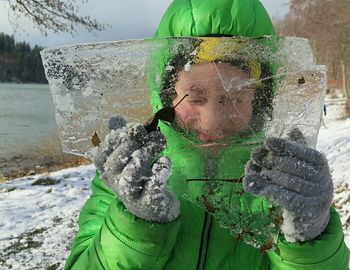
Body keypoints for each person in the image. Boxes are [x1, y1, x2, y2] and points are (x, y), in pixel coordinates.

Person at [64, 0, 349, 269]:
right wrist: (135, 225)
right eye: (195, 96)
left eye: (236, 97)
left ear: (260, 101)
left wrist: (310, 238)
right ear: (165, 96)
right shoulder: (133, 178)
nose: (214, 121)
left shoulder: (281, 184)